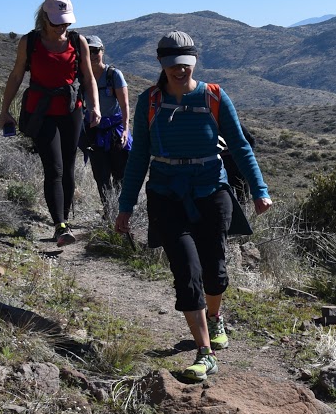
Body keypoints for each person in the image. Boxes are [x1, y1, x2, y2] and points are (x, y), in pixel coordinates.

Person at [114, 31, 271, 382]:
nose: (179, 71)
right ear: (161, 64)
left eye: (184, 64)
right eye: (172, 65)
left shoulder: (214, 96)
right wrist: (125, 206)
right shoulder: (150, 101)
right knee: (187, 271)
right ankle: (205, 352)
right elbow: (138, 157)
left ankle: (214, 319)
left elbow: (240, 146)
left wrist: (260, 189)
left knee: (215, 271)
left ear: (194, 61)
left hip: (211, 191)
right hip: (166, 194)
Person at [0, 0, 101, 246]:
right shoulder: (30, 42)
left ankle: (63, 220)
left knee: (68, 168)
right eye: (57, 23)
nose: (62, 27)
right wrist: (4, 110)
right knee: (53, 168)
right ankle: (60, 225)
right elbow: (15, 76)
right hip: (41, 111)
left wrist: (95, 107)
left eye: (65, 22)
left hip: (71, 110)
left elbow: (88, 78)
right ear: (44, 18)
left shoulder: (78, 42)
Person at [78, 35, 131, 219]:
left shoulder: (113, 75)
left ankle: (120, 211)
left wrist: (125, 129)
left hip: (115, 132)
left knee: (120, 175)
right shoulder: (81, 77)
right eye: (89, 51)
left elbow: (124, 105)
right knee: (101, 176)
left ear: (102, 51)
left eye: (96, 51)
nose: (93, 55)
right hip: (93, 132)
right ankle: (109, 211)